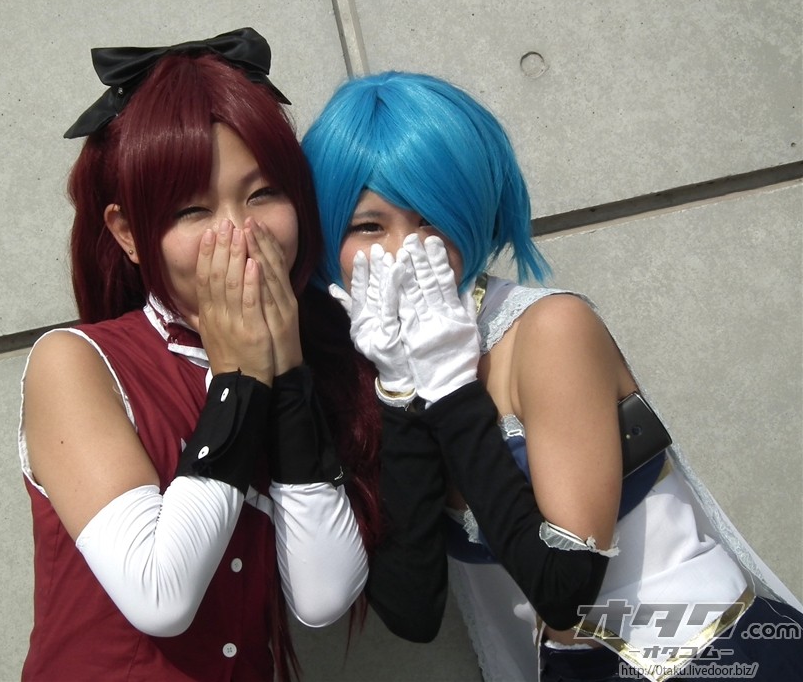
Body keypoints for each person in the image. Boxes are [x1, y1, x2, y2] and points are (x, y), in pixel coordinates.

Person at [301, 71, 803, 682]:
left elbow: (564, 589)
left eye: (431, 219)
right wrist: (401, 391)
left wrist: (452, 392)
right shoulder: (374, 376)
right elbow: (412, 609)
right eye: (368, 227)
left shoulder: (551, 329)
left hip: (716, 660)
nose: (405, 252)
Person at [17, 28, 380, 682]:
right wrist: (240, 379)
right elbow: (160, 595)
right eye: (192, 209)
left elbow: (323, 597)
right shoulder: (73, 363)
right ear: (128, 233)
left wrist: (287, 375)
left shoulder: (320, 358)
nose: (238, 233)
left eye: (263, 194)